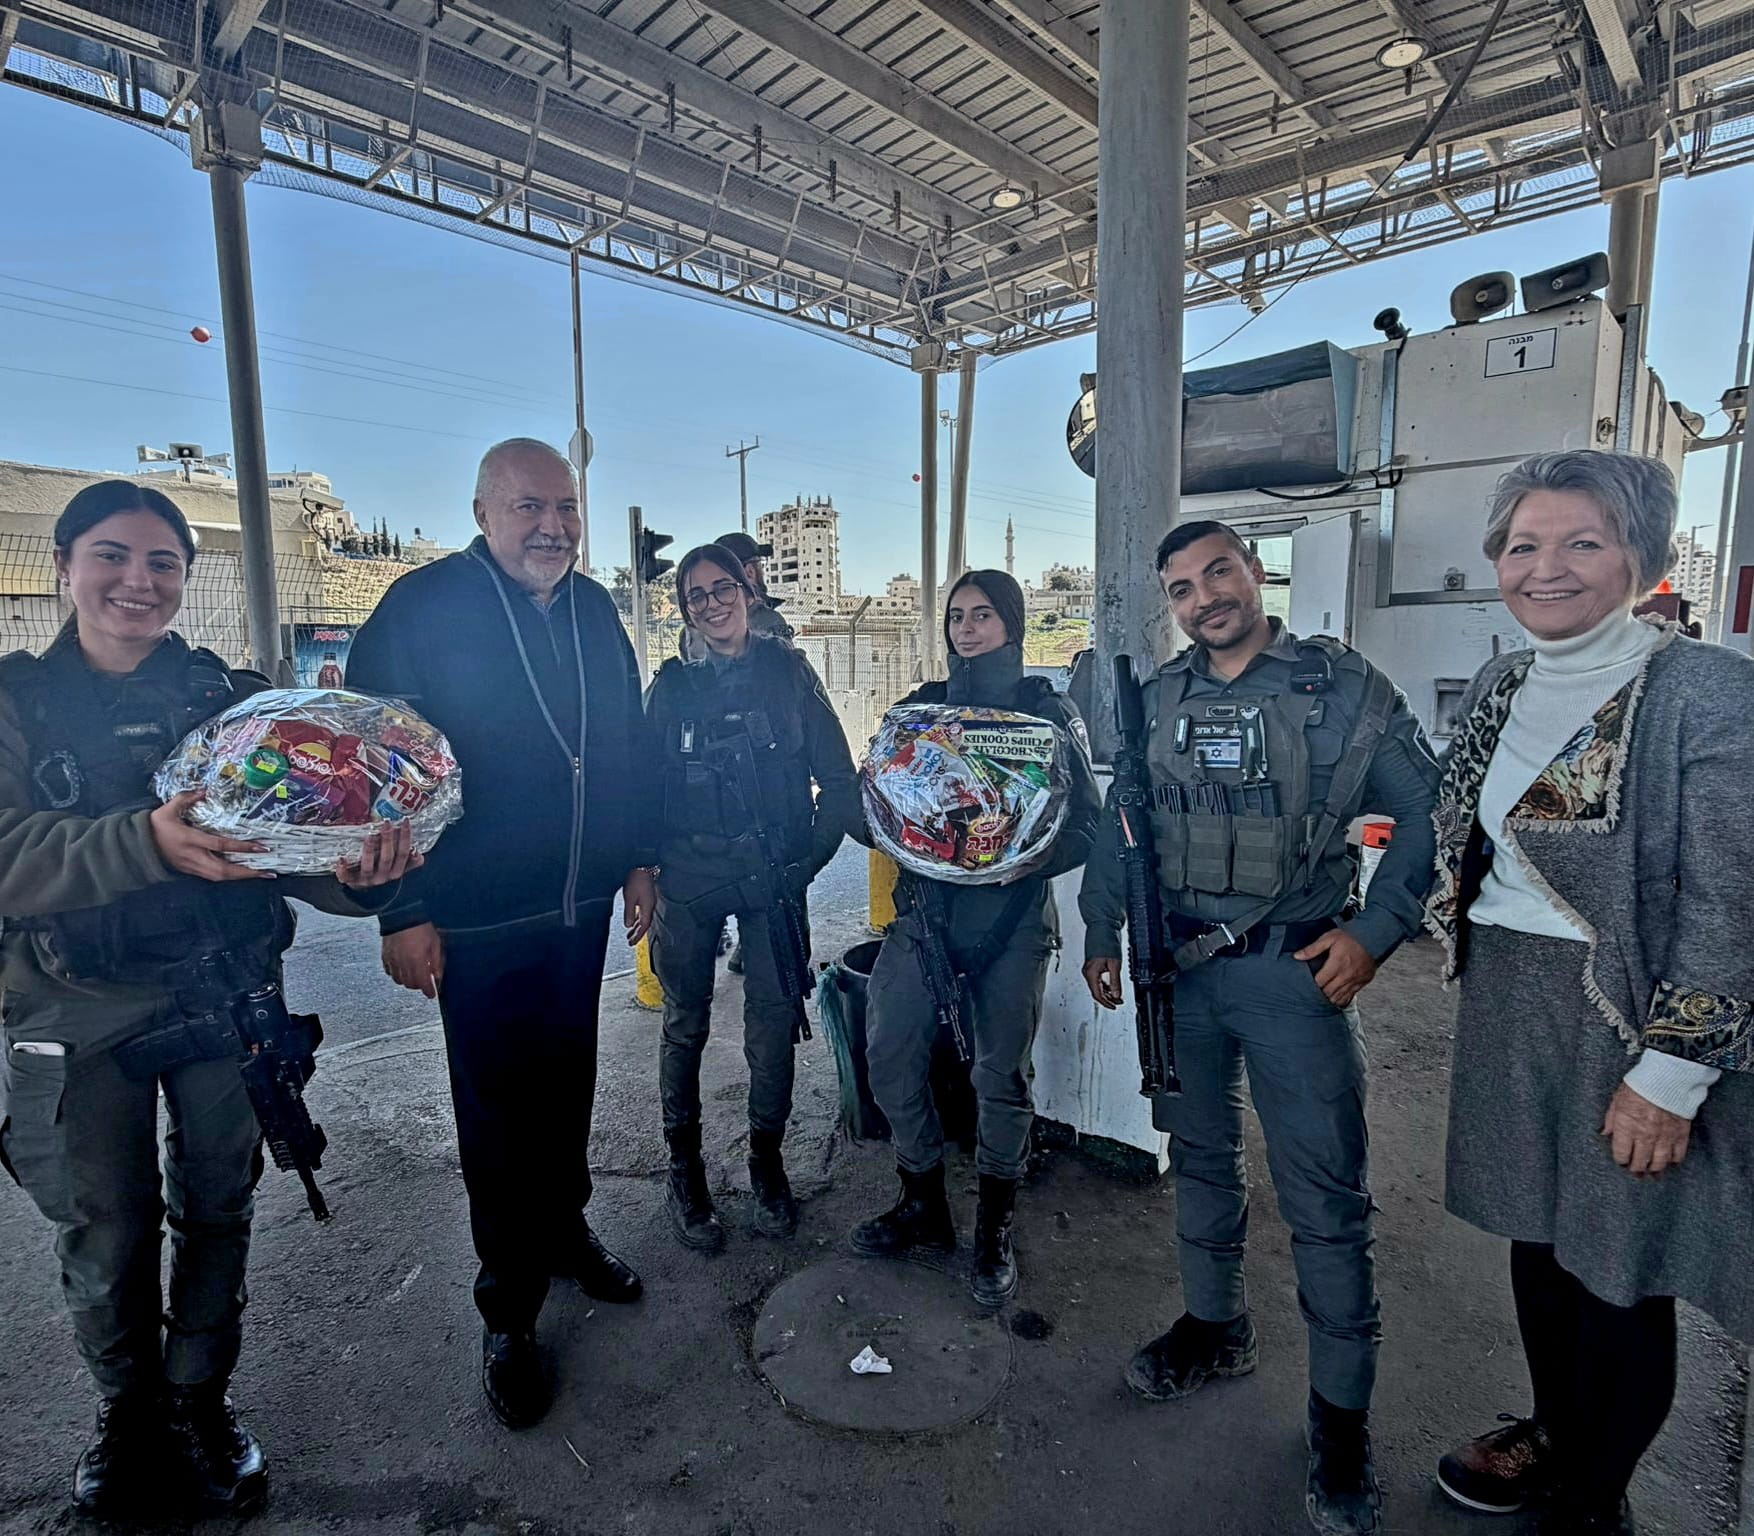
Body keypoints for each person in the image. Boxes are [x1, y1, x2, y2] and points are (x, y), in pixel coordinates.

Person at [0, 481, 415, 1520]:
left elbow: (295, 845)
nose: (136, 582)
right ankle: (128, 1414)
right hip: (73, 1004)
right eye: (111, 557)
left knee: (217, 1208)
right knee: (105, 1229)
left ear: (186, 578)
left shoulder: (232, 702)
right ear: (64, 566)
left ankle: (198, 1402)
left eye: (161, 564)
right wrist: (141, 842)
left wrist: (359, 874)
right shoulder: (14, 702)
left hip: (221, 990)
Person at [1079, 521, 1439, 1536]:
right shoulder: (1152, 700)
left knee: (1324, 1200)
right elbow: (1124, 819)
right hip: (1180, 976)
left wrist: (1375, 930)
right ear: (1170, 605)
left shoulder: (1335, 689)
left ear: (1252, 572)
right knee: (1198, 1162)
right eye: (1181, 587)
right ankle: (1213, 1326)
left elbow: (1425, 809)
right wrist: (1100, 926)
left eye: (1218, 573)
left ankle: (1338, 1422)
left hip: (1295, 976)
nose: (1203, 598)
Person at [1425, 452, 1754, 1536]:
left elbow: (1729, 901)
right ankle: (1554, 1428)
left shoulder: (1699, 692)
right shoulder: (1498, 682)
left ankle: (1591, 1494)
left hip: (1624, 1011)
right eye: (1522, 544)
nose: (1544, 567)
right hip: (1507, 994)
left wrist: (1668, 1074)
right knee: (1537, 1235)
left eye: (1581, 542)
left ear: (1641, 561)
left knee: (1619, 1267)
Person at [345, 438, 657, 1431]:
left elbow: (626, 743)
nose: (551, 526)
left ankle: (564, 1232)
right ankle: (508, 1311)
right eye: (527, 508)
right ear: (481, 511)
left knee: (566, 1086)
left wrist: (638, 856)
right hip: (472, 919)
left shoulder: (598, 610)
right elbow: (364, 763)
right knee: (495, 1118)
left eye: (564, 507)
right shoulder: (420, 609)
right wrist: (401, 910)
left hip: (576, 910)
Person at [850, 570, 1101, 1306]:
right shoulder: (917, 713)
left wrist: (1011, 860)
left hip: (1012, 920)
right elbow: (882, 805)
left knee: (1002, 1075)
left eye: (983, 615)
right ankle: (922, 1199)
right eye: (957, 615)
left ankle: (995, 1222)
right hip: (925, 917)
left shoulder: (1046, 711)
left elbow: (1085, 822)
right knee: (889, 1052)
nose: (966, 628)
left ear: (1013, 625)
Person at [646, 544, 858, 1250]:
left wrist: (805, 866)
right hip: (690, 879)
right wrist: (642, 871)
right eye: (696, 595)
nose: (712, 604)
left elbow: (840, 781)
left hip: (772, 880)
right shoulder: (670, 688)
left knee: (771, 1030)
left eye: (722, 589)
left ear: (749, 592)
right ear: (684, 609)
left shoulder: (790, 673)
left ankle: (766, 1165)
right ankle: (686, 1170)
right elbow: (638, 793)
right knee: (686, 1025)